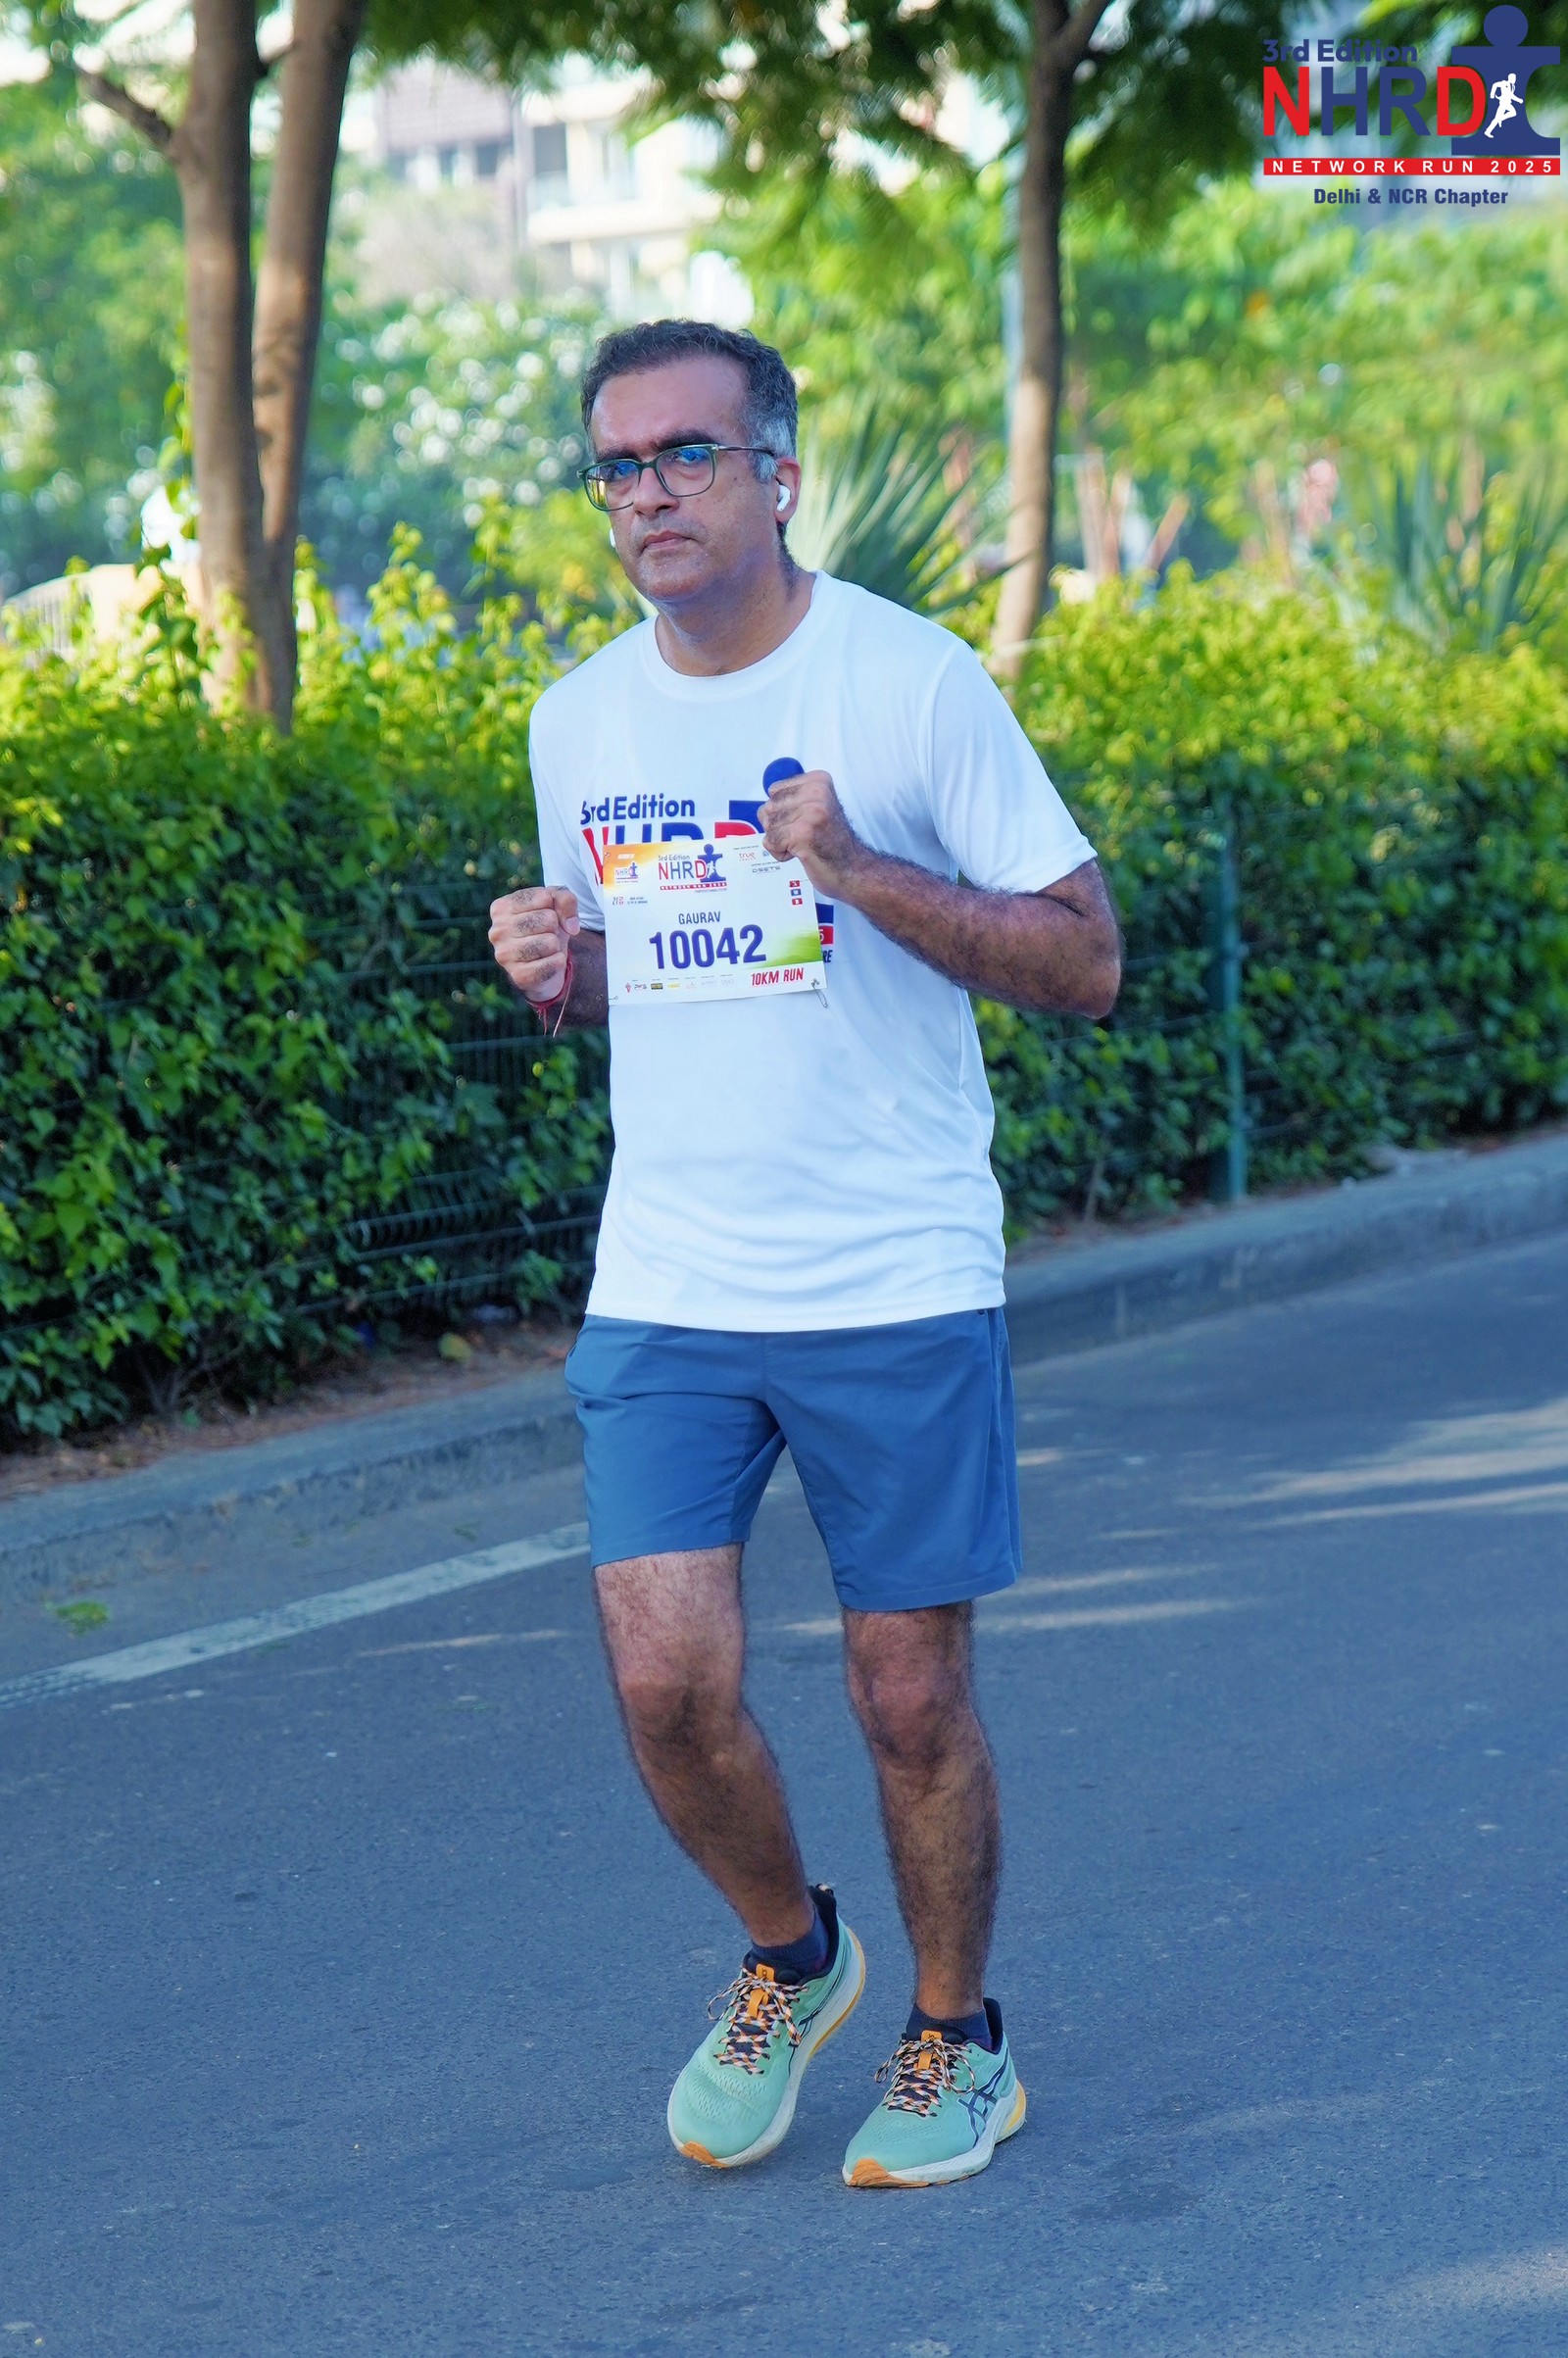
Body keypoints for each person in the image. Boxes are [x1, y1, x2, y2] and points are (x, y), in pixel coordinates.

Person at [489, 320, 1120, 2188]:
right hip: (671, 1278)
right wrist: (560, 974)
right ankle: (792, 1953)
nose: (649, 492)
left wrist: (860, 870)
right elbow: (650, 971)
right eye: (618, 465)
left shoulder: (909, 683)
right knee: (665, 1687)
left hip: (890, 1272)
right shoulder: (578, 719)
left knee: (906, 1695)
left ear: (776, 475)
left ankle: (955, 2037)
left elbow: (1085, 959)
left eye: (687, 453)